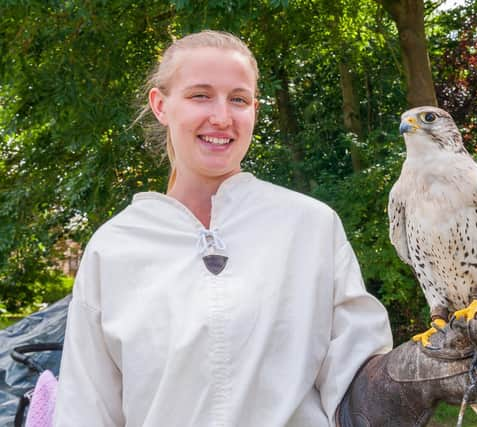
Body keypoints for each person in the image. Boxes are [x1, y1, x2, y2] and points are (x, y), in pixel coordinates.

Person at [53, 30, 392, 426]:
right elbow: (85, 409)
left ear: (255, 110)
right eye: (200, 95)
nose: (222, 117)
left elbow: (361, 386)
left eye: (238, 99)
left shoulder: (312, 226)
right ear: (161, 105)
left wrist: (410, 375)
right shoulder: (112, 248)